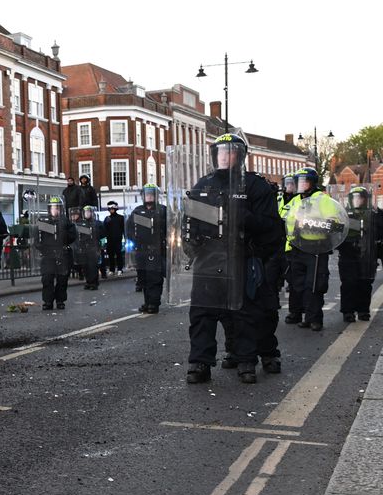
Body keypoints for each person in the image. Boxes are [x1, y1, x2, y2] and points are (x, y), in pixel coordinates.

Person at [186, 133, 282, 384]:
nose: (225, 156)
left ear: (240, 157)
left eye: (230, 152)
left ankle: (246, 360)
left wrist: (245, 219)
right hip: (208, 257)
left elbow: (273, 229)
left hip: (241, 256)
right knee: (202, 313)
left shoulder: (254, 186)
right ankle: (200, 363)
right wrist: (189, 241)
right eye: (220, 152)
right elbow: (189, 221)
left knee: (243, 312)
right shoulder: (203, 185)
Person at [282, 167, 342, 331]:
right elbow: (285, 219)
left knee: (314, 285)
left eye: (304, 181)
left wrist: (316, 225)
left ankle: (314, 319)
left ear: (313, 183)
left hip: (316, 248)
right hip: (297, 247)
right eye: (299, 181)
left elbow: (334, 222)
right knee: (297, 284)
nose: (301, 185)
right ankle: (300, 315)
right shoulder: (295, 200)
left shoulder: (322, 199)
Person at [338, 186, 383, 322]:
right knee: (348, 283)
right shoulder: (343, 215)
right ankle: (348, 311)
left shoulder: (375, 215)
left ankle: (363, 310)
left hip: (368, 254)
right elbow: (337, 236)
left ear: (366, 199)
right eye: (355, 198)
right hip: (348, 253)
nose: (358, 200)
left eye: (361, 197)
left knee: (365, 283)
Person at [127, 184, 168, 313]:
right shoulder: (137, 211)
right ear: (143, 196)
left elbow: (170, 228)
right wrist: (134, 239)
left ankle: (154, 304)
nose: (149, 196)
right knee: (143, 278)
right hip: (141, 250)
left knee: (154, 278)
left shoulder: (163, 210)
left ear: (156, 196)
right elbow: (128, 228)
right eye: (147, 194)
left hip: (156, 250)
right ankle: (147, 302)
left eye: (151, 194)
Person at [36, 196, 77, 310]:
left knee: (62, 279)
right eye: (53, 208)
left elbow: (73, 236)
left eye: (57, 208)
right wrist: (42, 248)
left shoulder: (66, 222)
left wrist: (63, 234)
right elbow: (37, 238)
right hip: (48, 255)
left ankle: (60, 300)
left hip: (62, 253)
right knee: (47, 279)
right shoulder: (43, 222)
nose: (55, 210)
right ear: (49, 209)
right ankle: (48, 301)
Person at [76, 205, 102, 290]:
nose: (87, 213)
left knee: (93, 266)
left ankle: (94, 283)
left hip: (93, 247)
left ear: (91, 213)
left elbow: (101, 234)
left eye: (88, 212)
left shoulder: (96, 223)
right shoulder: (80, 223)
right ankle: (88, 281)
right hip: (84, 247)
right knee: (85, 266)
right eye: (85, 212)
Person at [102, 201, 126, 276]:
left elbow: (124, 229)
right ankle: (112, 269)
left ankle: (120, 269)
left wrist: (125, 239)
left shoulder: (121, 218)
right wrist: (106, 223)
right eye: (110, 209)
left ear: (115, 209)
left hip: (118, 240)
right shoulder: (107, 219)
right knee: (110, 255)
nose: (111, 210)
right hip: (109, 240)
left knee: (119, 255)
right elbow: (104, 229)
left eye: (112, 208)